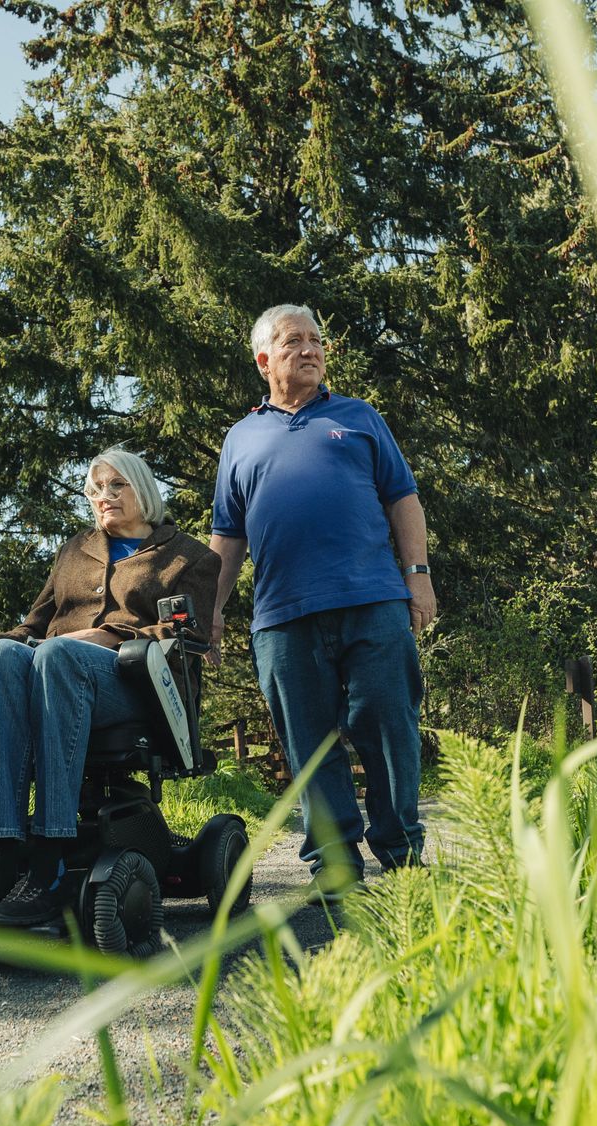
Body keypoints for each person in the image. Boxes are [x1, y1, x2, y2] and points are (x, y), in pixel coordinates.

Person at [0, 449, 221, 927]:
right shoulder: (74, 551)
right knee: (0, 657)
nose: (103, 496)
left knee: (58, 655)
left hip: (137, 686)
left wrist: (109, 636)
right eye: (95, 490)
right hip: (56, 673)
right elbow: (34, 626)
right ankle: (3, 861)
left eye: (116, 485)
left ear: (142, 488)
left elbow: (186, 636)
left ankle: (49, 865)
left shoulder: (189, 557)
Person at [208, 303, 434, 891]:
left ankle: (402, 855)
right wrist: (211, 611)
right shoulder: (240, 438)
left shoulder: (359, 417)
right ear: (264, 360)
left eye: (316, 339)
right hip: (283, 617)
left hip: (373, 601)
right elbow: (227, 536)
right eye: (294, 341)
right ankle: (334, 866)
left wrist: (417, 574)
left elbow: (403, 498)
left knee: (390, 729)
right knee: (308, 744)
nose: (310, 349)